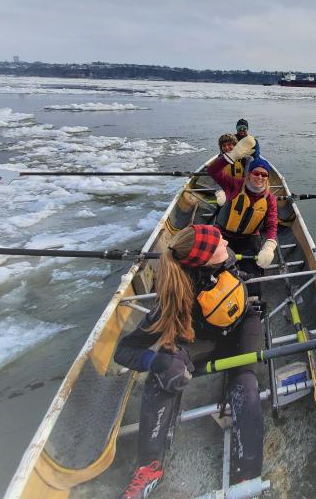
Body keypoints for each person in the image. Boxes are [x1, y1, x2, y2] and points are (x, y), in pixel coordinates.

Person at [114, 225, 263, 499]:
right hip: (198, 341)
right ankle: (149, 468)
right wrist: (156, 362)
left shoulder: (227, 260)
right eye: (219, 242)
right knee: (162, 375)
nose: (226, 241)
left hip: (243, 327)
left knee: (246, 384)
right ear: (204, 260)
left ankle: (248, 477)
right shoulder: (174, 299)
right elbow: (123, 350)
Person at [207, 155, 278, 292]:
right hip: (224, 236)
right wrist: (230, 155)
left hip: (249, 238)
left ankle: (253, 302)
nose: (260, 177)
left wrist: (269, 246)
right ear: (249, 174)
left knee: (252, 272)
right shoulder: (235, 185)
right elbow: (213, 171)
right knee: (215, 270)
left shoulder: (270, 199)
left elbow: (272, 223)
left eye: (264, 174)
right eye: (256, 173)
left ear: (267, 177)